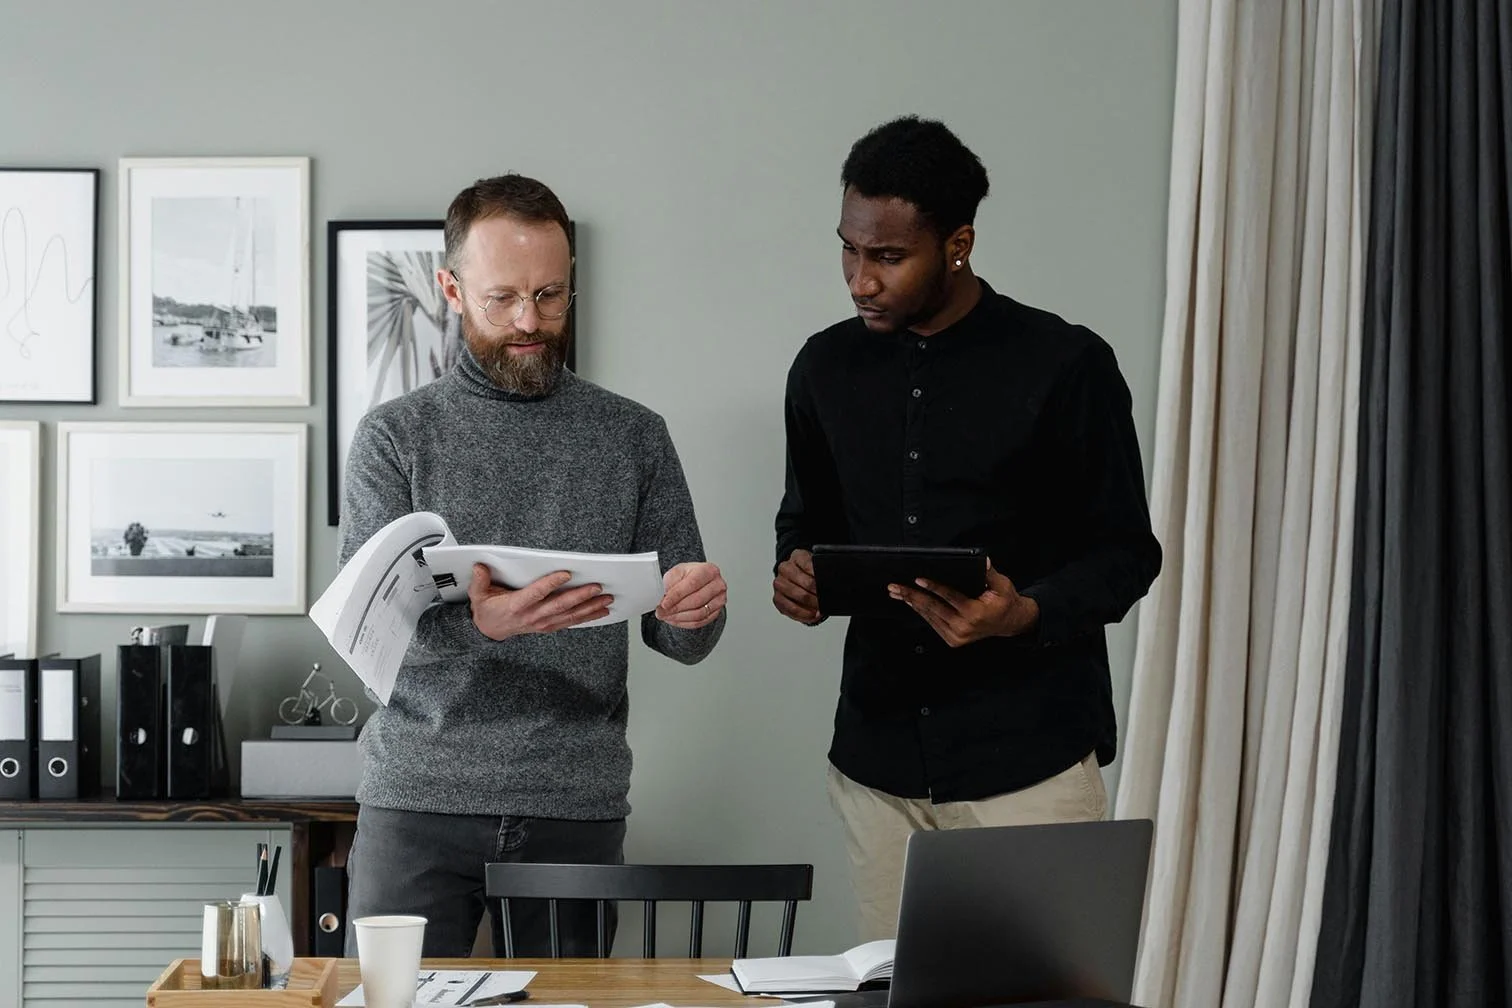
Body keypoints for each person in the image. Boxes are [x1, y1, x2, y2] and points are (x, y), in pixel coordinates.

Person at [772, 116, 1162, 941]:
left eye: (887, 257)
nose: (859, 279)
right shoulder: (822, 369)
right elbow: (806, 523)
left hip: (1030, 764)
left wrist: (1024, 613)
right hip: (877, 767)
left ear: (957, 245)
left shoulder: (1067, 364)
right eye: (848, 248)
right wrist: (797, 573)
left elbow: (1129, 551)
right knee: (890, 998)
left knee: (1045, 1002)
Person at [341, 173, 728, 957]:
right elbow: (362, 634)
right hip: (417, 800)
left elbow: (679, 638)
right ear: (451, 288)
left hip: (573, 806)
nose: (530, 322)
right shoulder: (393, 437)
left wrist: (696, 611)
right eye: (503, 298)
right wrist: (481, 628)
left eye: (551, 296)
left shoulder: (633, 436)